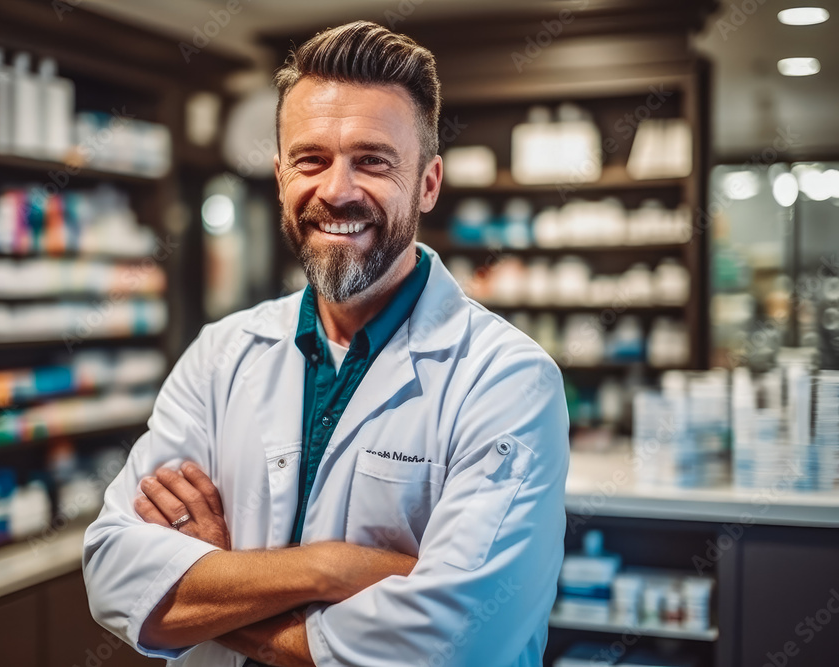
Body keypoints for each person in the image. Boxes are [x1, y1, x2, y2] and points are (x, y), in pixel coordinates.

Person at [83, 20, 569, 667]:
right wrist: (330, 567)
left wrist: (222, 580)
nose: (337, 190)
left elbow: (457, 641)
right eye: (311, 159)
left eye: (372, 160)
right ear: (281, 175)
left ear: (427, 181)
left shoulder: (507, 380)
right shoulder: (221, 353)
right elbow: (115, 575)